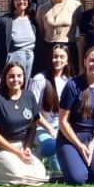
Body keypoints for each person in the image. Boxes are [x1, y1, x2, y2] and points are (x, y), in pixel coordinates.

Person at [57, 46, 94, 186]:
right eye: (91, 60)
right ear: (84, 62)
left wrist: (93, 143)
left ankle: (87, 163)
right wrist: (79, 145)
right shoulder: (72, 85)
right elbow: (63, 121)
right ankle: (75, 163)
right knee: (78, 179)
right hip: (71, 137)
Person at [0, 61, 49, 187]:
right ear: (5, 78)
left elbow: (32, 127)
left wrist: (27, 148)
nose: (16, 79)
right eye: (11, 76)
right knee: (18, 174)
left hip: (22, 147)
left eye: (19, 76)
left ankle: (7, 170)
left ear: (24, 77)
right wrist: (17, 153)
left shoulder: (28, 96)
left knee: (41, 173)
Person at [28, 42, 75, 173]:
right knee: (51, 147)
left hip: (62, 127)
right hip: (41, 128)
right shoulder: (39, 79)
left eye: (61, 57)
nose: (57, 60)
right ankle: (39, 155)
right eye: (55, 56)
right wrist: (50, 130)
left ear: (67, 61)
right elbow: (33, 111)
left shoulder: (70, 81)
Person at [0, 0, 38, 78]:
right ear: (13, 1)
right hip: (13, 59)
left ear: (28, 1)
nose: (21, 2)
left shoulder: (33, 21)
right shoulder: (3, 21)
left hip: (30, 59)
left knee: (25, 87)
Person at [35, 0, 81, 75]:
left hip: (69, 48)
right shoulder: (42, 9)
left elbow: (82, 31)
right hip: (49, 49)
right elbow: (41, 33)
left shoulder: (76, 6)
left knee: (70, 79)